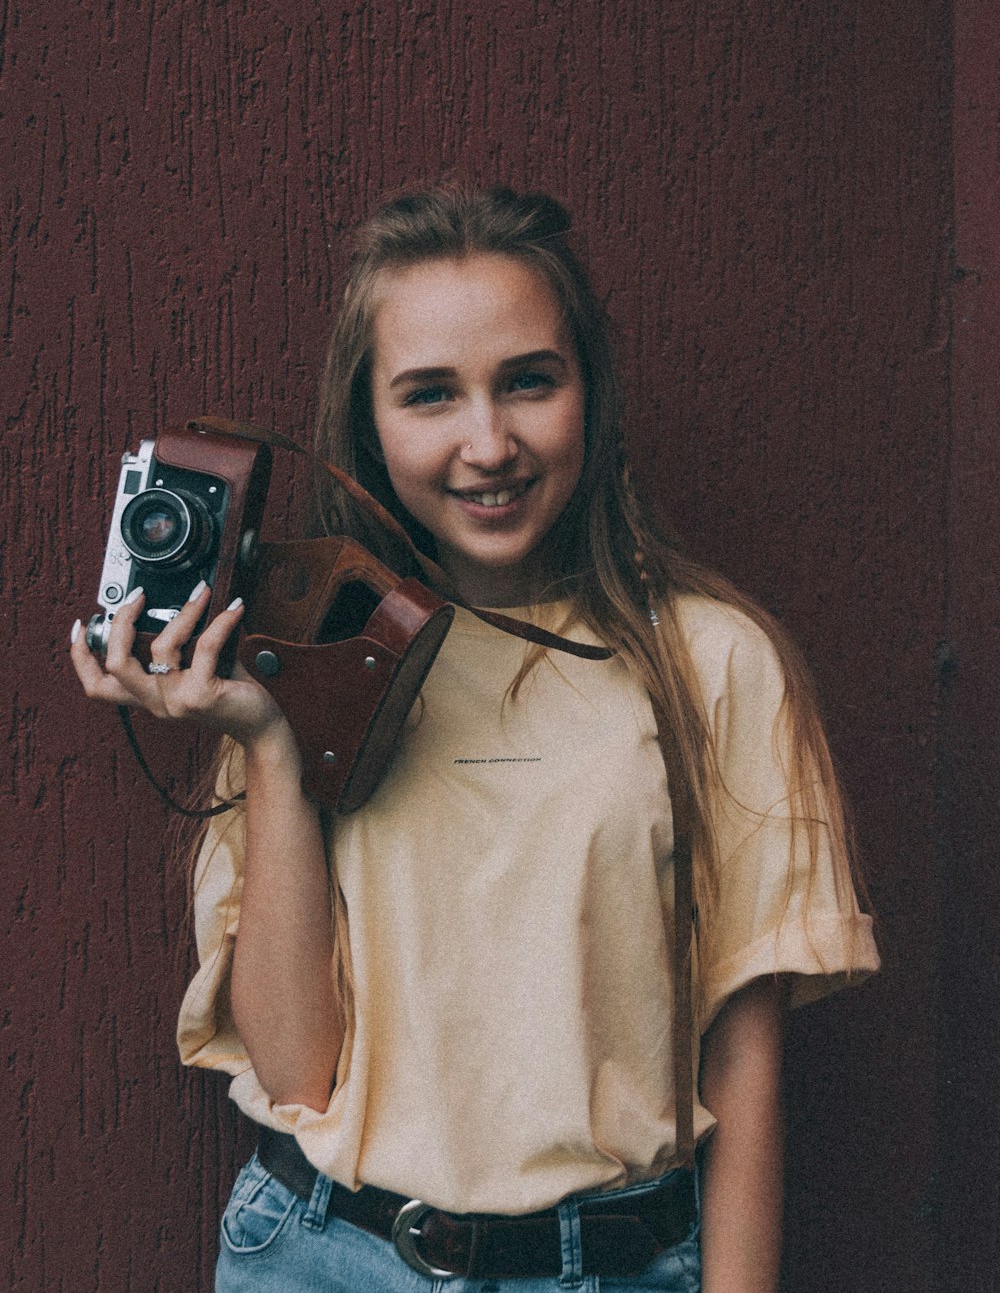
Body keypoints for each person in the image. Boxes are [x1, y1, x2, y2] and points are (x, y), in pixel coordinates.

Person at [71, 186, 879, 1293]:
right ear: (368, 422)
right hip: (324, 1255)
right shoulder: (297, 649)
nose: (487, 443)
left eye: (529, 382)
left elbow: (743, 1071)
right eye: (430, 395)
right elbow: (297, 1069)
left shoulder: (713, 664)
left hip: (612, 1265)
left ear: (588, 389)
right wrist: (267, 746)